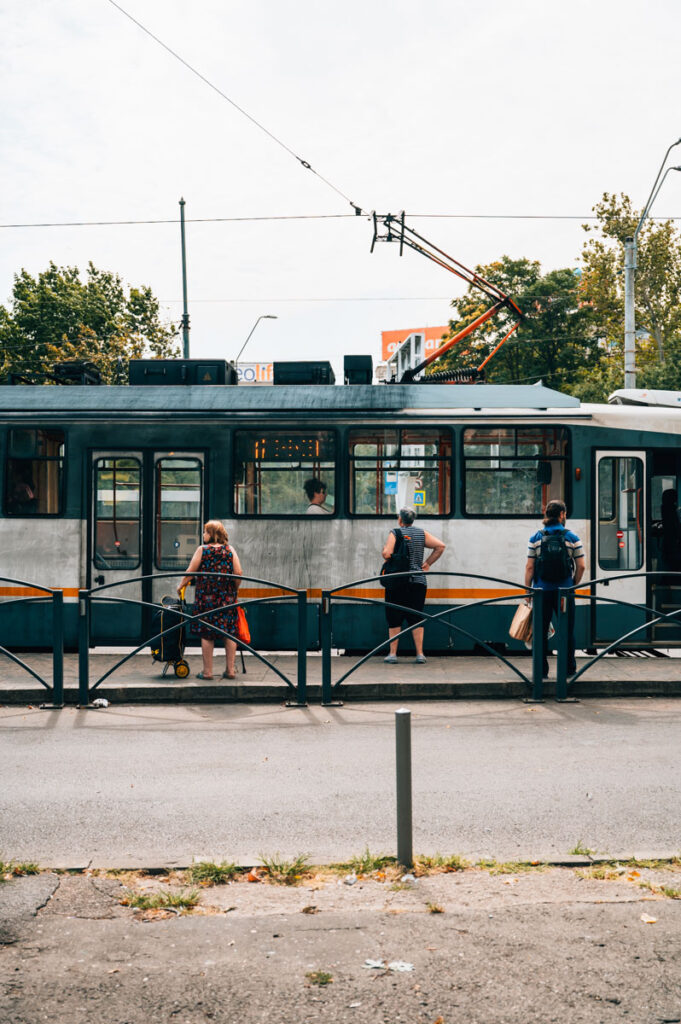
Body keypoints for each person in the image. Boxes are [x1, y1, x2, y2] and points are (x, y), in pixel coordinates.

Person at [524, 499, 585, 678]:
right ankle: (568, 670)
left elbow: (529, 567)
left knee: (540, 632)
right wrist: (572, 584)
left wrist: (528, 592)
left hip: (541, 593)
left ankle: (541, 671)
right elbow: (581, 566)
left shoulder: (536, 537)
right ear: (561, 515)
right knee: (567, 631)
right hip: (564, 593)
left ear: (547, 515)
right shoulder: (572, 537)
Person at [178, 520, 242, 680]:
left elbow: (190, 571)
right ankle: (230, 671)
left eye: (206, 532)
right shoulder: (230, 550)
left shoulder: (203, 550)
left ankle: (207, 672)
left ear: (212, 534)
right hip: (227, 598)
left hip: (206, 599)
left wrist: (181, 586)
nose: (204, 535)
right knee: (229, 632)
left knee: (207, 633)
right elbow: (238, 572)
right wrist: (234, 590)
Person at [382, 506, 445, 664]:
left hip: (397, 581)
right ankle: (420, 654)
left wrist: (386, 552)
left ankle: (393, 654)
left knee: (394, 617)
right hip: (418, 582)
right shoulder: (421, 533)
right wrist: (427, 563)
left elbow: (387, 554)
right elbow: (440, 546)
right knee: (416, 617)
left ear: (400, 519)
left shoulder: (395, 532)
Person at [660, 489, 681, 573]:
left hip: (667, 538)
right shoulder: (673, 509)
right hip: (673, 539)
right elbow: (675, 525)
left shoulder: (664, 508)